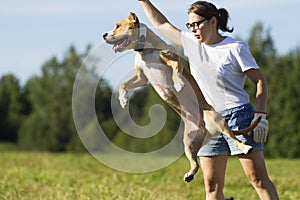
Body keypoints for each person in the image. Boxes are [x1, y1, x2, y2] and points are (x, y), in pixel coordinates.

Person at [137, 0, 279, 199]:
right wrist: (144, 1)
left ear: (213, 21)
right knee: (211, 186)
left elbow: (260, 80)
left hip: (239, 116)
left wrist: (261, 114)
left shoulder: (234, 48)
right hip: (207, 120)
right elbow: (161, 24)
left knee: (257, 179)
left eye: (198, 24)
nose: (193, 29)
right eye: (190, 25)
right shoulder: (191, 43)